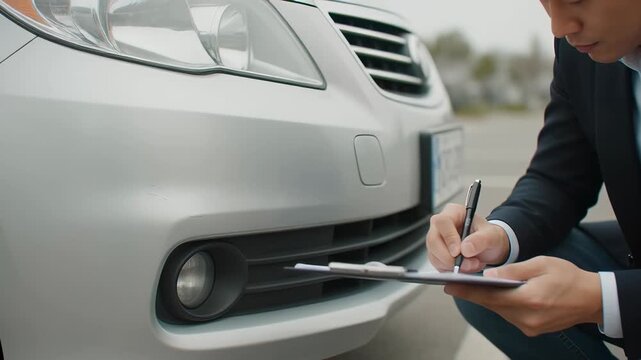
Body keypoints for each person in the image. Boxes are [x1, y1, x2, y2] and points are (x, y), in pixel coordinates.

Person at [425, 0, 641, 358]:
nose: (559, 27)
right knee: (490, 277)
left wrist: (606, 300)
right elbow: (558, 176)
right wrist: (497, 237)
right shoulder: (581, 56)